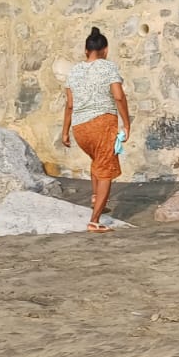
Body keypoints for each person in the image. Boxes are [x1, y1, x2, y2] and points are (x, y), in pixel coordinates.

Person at [61, 28, 131, 232]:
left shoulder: (74, 71)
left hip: (80, 128)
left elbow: (70, 104)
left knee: (97, 162)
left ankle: (95, 197)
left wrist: (65, 131)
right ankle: (95, 220)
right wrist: (126, 124)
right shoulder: (108, 68)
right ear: (106, 50)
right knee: (106, 171)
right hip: (102, 124)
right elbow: (118, 96)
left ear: (86, 50)